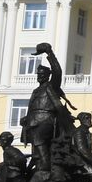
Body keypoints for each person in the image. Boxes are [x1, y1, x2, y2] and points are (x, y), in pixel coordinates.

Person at [20, 43, 71, 173]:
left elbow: (57, 71)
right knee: (35, 147)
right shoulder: (36, 90)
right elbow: (32, 108)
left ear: (48, 75)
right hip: (33, 122)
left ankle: (45, 165)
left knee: (39, 138)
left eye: (42, 74)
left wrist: (50, 53)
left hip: (46, 121)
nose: (40, 76)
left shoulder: (51, 86)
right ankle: (39, 167)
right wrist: (26, 118)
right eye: (38, 74)